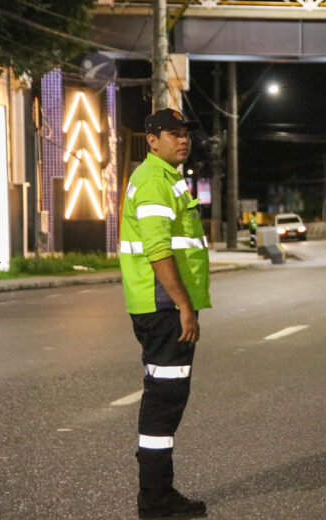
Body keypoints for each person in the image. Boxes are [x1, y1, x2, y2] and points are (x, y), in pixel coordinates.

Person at [119, 108, 209, 519]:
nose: (183, 139)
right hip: (163, 306)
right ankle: (155, 500)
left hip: (160, 305)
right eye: (173, 133)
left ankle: (156, 495)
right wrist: (184, 306)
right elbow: (158, 250)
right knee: (164, 401)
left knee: (165, 398)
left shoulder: (168, 179)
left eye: (185, 133)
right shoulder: (155, 180)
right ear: (152, 140)